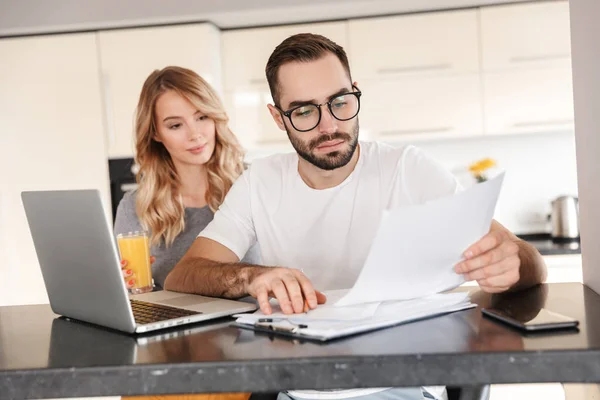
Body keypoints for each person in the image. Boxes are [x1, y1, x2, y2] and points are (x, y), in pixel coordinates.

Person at [163, 34, 548, 399]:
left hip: (399, 386)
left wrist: (514, 261)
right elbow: (186, 273)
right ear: (279, 118)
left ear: (355, 92)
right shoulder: (260, 181)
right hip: (295, 388)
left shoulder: (407, 169)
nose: (329, 125)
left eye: (340, 102)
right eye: (303, 111)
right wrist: (250, 275)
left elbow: (523, 259)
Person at [114, 66, 259, 290]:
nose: (195, 134)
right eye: (176, 125)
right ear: (155, 133)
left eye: (202, 117)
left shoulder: (253, 184)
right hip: (171, 324)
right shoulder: (135, 207)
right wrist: (124, 286)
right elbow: (132, 298)